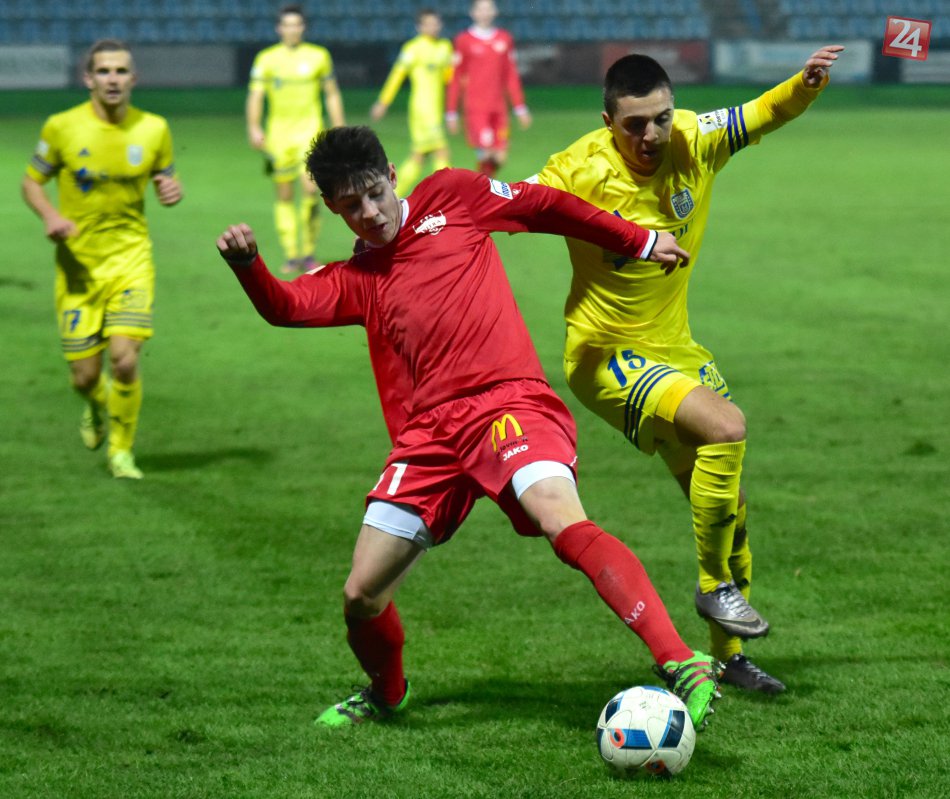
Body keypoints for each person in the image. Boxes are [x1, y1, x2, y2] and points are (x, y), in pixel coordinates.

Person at [216, 126, 724, 732]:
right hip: (429, 438)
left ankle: (680, 660)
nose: (370, 212)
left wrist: (638, 239)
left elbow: (545, 205)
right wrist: (248, 265)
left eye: (375, 193)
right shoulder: (358, 278)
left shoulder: (452, 196)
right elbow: (286, 306)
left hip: (508, 404)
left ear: (393, 175)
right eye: (351, 205)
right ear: (331, 207)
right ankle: (387, 694)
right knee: (361, 595)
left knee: (557, 515)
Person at [531, 45, 846, 694]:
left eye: (661, 118)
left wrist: (806, 83)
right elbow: (511, 204)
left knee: (729, 508)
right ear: (608, 122)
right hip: (605, 354)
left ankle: (729, 658)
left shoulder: (693, 138)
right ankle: (713, 587)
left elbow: (763, 112)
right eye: (634, 124)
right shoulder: (576, 168)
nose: (651, 135)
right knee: (727, 426)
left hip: (676, 350)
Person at [21, 39, 183, 480]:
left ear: (134, 79)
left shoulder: (154, 128)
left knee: (125, 360)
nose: (113, 79)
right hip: (78, 267)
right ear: (88, 78)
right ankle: (95, 403)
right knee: (84, 378)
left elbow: (165, 177)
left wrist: (171, 190)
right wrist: (51, 216)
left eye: (121, 71)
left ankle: (121, 452)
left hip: (131, 258)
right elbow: (32, 182)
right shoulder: (61, 127)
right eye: (104, 71)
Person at [246, 3, 346, 275]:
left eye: (297, 25)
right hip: (278, 137)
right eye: (287, 25)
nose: (292, 30)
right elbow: (255, 95)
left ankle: (309, 251)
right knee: (284, 194)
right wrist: (254, 126)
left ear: (304, 27)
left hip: (310, 133)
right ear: (279, 29)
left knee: (312, 191)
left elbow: (332, 93)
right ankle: (292, 254)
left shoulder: (318, 56)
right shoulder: (266, 59)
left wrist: (338, 126)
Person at [370, 8, 454, 192]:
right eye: (428, 24)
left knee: (419, 157)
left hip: (436, 108)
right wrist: (383, 102)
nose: (433, 27)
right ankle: (446, 195)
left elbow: (449, 78)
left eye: (435, 23)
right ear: (419, 27)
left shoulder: (445, 47)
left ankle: (391, 194)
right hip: (422, 109)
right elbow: (397, 75)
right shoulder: (413, 49)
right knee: (441, 152)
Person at [445, 0, 531, 178]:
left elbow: (511, 75)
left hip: (499, 108)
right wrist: (451, 112)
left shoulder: (504, 39)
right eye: (481, 9)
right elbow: (456, 78)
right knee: (486, 154)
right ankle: (484, 191)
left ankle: (482, 188)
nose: (485, 13)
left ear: (495, 12)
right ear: (473, 13)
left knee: (500, 157)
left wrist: (520, 107)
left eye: (488, 9)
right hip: (476, 108)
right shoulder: (464, 40)